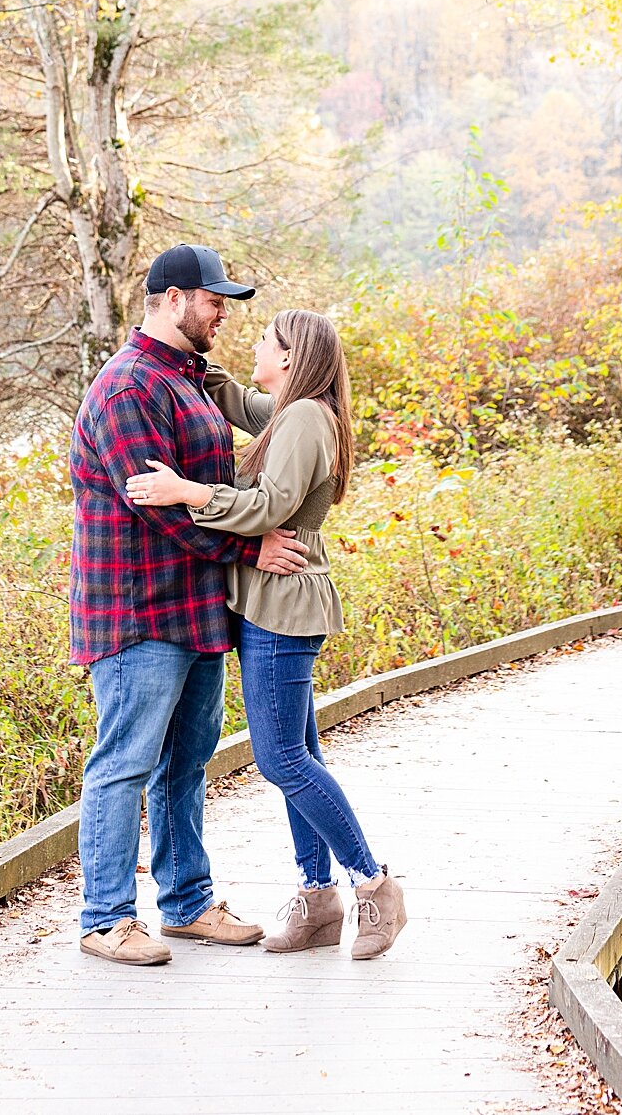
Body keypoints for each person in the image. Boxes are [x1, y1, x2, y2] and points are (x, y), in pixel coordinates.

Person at [126, 307, 407, 960]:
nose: (252, 345)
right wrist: (180, 354)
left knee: (282, 759)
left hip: (283, 605)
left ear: (288, 357)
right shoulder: (288, 412)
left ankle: (374, 883)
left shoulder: (306, 417)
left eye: (263, 340)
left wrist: (184, 492)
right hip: (272, 602)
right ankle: (317, 900)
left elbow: (270, 508)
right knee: (297, 754)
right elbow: (233, 396)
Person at [69, 243, 311, 967]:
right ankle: (106, 918)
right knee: (124, 764)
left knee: (188, 763)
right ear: (173, 300)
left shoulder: (189, 379)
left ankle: (185, 904)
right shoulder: (128, 389)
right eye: (214, 301)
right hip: (138, 611)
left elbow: (217, 478)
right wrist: (251, 549)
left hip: (197, 611)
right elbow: (159, 509)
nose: (223, 315)